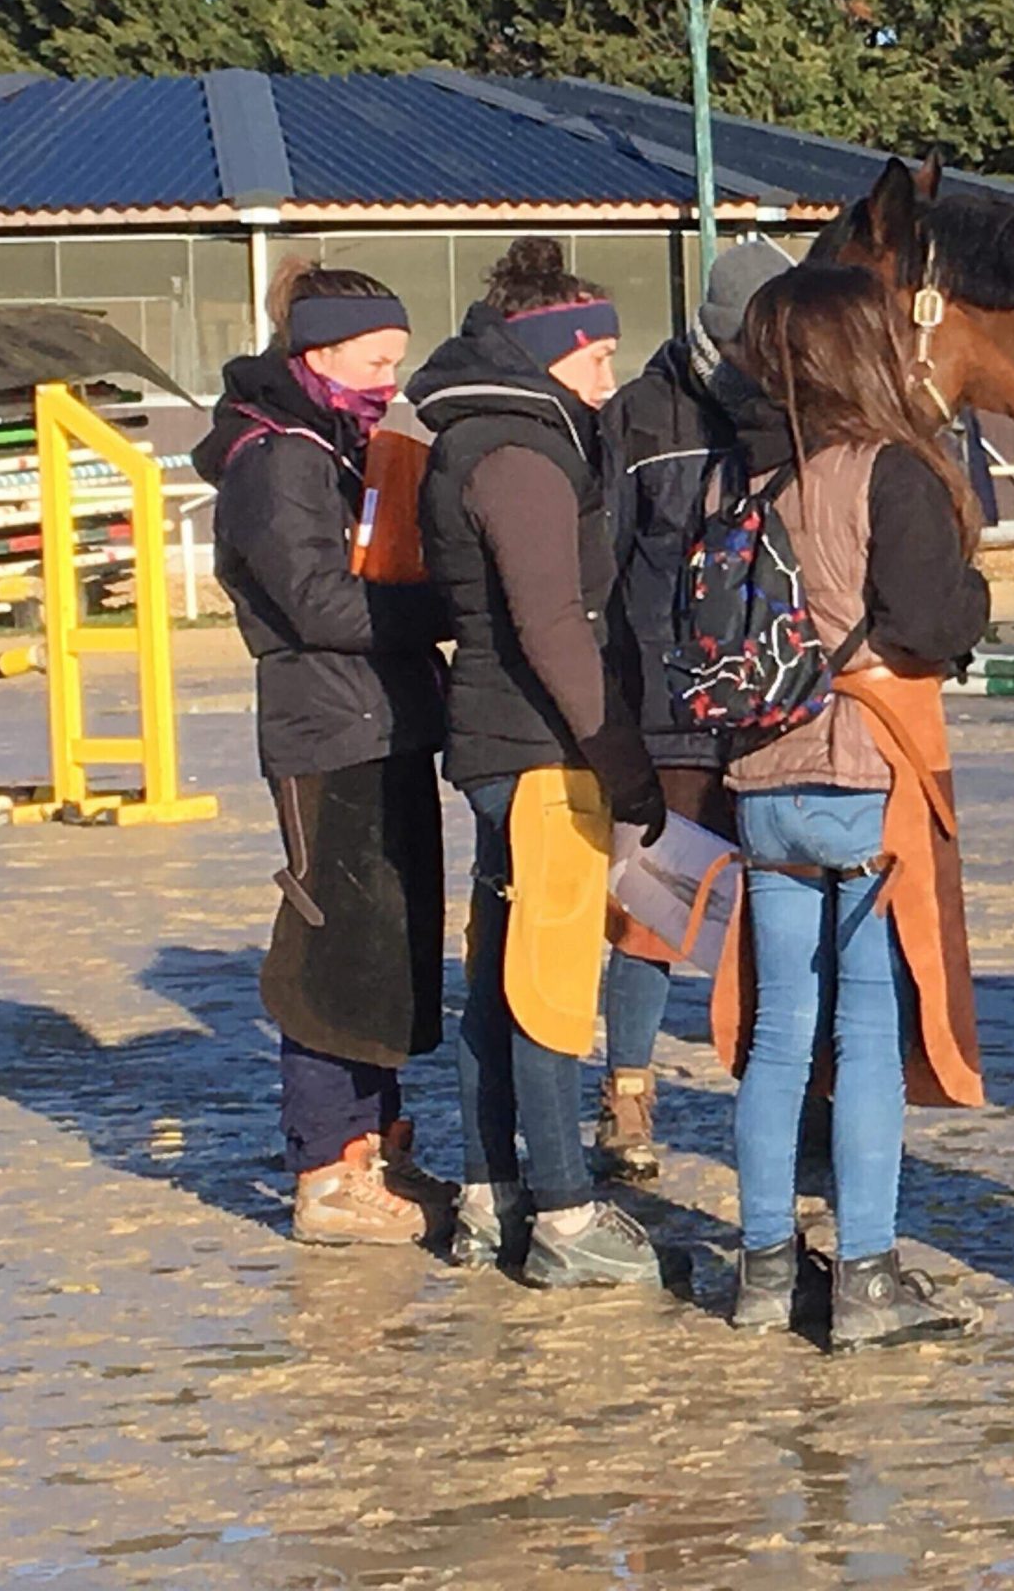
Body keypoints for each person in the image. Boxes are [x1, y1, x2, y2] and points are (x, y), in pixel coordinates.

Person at [717, 263, 992, 1347]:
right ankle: (868, 1277)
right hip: (866, 771)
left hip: (762, 778)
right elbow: (929, 619)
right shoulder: (888, 472)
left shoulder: (750, 483)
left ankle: (763, 1272)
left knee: (780, 1036)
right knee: (870, 1035)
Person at [408, 238, 671, 1288]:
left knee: (499, 975)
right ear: (550, 353)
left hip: (500, 740)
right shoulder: (520, 454)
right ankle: (563, 1210)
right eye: (597, 356)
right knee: (549, 984)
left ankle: (489, 1193)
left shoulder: (500, 434)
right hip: (537, 747)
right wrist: (622, 760)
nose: (611, 375)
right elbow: (555, 625)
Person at [193, 259, 453, 1246]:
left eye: (397, 359)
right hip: (324, 723)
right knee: (334, 941)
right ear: (322, 350)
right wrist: (446, 603)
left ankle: (377, 1144)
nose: (391, 379)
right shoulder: (282, 458)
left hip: (380, 715)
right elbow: (319, 604)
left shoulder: (344, 444)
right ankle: (327, 1167)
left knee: (385, 946)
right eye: (377, 359)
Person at [595, 237, 795, 1184]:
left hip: (764, 703)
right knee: (652, 907)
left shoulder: (793, 416)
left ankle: (780, 1083)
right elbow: (604, 566)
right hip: (664, 701)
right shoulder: (638, 417)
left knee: (772, 908)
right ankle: (627, 1089)